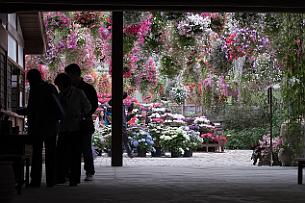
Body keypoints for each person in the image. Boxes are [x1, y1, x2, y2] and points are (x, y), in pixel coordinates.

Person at [17, 69, 61, 187]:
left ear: (31, 79)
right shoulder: (51, 87)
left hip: (38, 126)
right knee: (51, 153)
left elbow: (31, 109)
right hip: (52, 125)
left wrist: (18, 111)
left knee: (36, 154)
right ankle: (51, 180)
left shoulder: (35, 89)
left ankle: (36, 181)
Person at [54, 73, 91, 186]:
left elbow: (88, 107)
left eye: (59, 85)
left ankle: (74, 179)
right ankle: (62, 176)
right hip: (64, 128)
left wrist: (80, 114)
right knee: (61, 153)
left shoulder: (78, 93)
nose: (59, 88)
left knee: (75, 154)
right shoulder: (60, 96)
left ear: (64, 84)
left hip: (76, 127)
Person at [64, 63, 98, 181]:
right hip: (72, 123)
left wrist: (83, 115)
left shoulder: (88, 88)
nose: (67, 77)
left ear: (74, 74)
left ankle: (89, 172)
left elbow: (94, 105)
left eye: (68, 75)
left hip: (84, 122)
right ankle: (71, 173)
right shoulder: (67, 88)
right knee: (73, 149)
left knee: (85, 147)